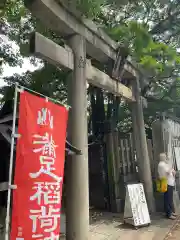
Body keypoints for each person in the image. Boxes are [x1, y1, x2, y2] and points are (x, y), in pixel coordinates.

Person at [158, 153, 177, 220]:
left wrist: (171, 169)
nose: (166, 158)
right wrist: (170, 168)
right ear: (162, 157)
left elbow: (170, 170)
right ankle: (169, 213)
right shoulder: (162, 165)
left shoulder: (164, 164)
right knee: (167, 198)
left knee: (169, 198)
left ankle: (170, 212)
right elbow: (168, 172)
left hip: (169, 182)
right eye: (165, 157)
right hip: (167, 183)